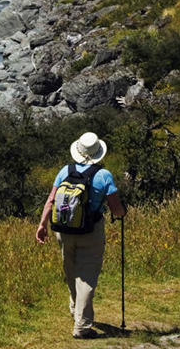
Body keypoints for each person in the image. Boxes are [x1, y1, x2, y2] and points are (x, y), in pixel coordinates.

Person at [36, 132, 126, 339]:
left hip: (63, 230)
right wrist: (122, 213)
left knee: (70, 270)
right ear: (97, 154)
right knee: (86, 277)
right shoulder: (104, 175)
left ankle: (75, 310)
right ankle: (82, 327)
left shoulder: (65, 171)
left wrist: (42, 225)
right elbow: (116, 208)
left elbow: (51, 200)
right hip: (90, 231)